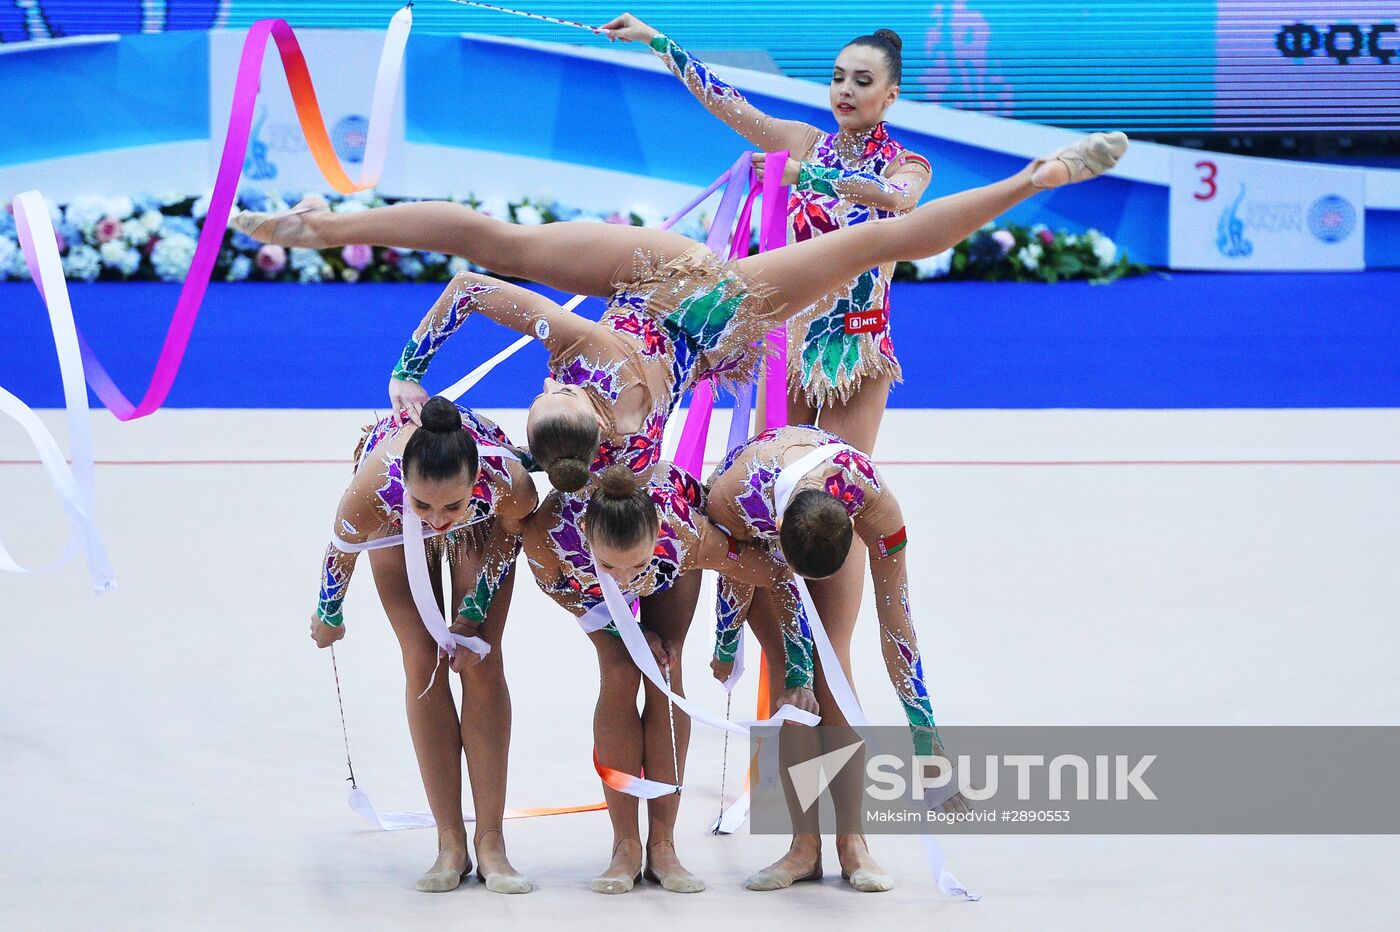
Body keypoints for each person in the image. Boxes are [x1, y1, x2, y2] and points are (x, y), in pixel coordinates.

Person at [234, 129, 1128, 492]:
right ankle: (1035, 178)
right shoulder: (607, 404)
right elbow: (470, 297)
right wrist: (406, 373)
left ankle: (321, 228)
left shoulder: (583, 405)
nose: (545, 393)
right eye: (554, 402)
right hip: (713, 307)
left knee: (500, 242)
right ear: (581, 421)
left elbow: (475, 282)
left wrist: (411, 378)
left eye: (536, 401)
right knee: (879, 244)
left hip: (645, 273)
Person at [602, 14, 929, 447]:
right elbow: (730, 105)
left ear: (891, 95)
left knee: (837, 486)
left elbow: (893, 196)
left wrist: (806, 177)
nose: (845, 90)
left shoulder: (907, 165)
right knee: (771, 477)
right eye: (838, 78)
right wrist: (656, 41)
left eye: (862, 81)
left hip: (854, 344)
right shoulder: (806, 143)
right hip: (789, 342)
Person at [518, 463, 819, 894]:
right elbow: (556, 585)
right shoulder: (551, 536)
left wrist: (784, 664)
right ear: (585, 533)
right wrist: (627, 630)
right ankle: (625, 846)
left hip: (673, 562)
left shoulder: (686, 533)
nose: (624, 579)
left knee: (666, 673)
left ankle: (663, 845)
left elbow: (773, 572)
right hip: (590, 586)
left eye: (633, 566)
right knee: (620, 672)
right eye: (612, 567)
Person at [703, 424, 957, 892]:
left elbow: (897, 624)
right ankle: (803, 847)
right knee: (789, 683)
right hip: (750, 530)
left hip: (816, 502)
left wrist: (926, 734)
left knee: (832, 671)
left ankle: (853, 840)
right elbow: (729, 566)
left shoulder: (876, 503)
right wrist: (726, 641)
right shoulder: (734, 493)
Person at [310, 396, 537, 894]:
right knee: (425, 661)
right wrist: (329, 613)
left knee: (480, 661)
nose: (437, 519)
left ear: (473, 483)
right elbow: (341, 547)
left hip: (486, 526)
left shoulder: (506, 482)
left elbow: (512, 534)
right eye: (426, 505)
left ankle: (492, 842)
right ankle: (449, 842)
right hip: (393, 526)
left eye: (450, 504)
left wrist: (474, 608)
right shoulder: (378, 483)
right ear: (407, 487)